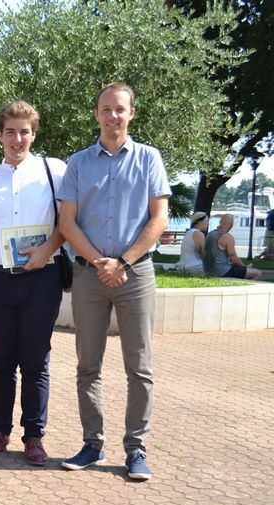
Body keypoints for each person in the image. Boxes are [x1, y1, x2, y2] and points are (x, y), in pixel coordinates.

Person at [57, 83, 171, 481]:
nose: (112, 116)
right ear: (96, 114)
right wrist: (99, 262)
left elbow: (159, 217)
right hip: (89, 277)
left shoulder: (149, 158)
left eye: (119, 109)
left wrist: (123, 261)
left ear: (131, 113)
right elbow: (66, 222)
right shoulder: (78, 163)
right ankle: (92, 444)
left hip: (135, 275)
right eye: (105, 109)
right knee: (88, 365)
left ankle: (136, 450)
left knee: (139, 367)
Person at [0, 101, 67, 466]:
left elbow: (68, 223)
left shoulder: (55, 172)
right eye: (10, 131)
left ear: (34, 134)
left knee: (36, 362)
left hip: (42, 280)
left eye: (24, 132)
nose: (17, 139)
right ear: (0, 136)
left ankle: (34, 436)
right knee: (1, 363)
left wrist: (48, 249)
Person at [203, 213, 262, 280]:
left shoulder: (210, 234)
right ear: (231, 224)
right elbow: (234, 259)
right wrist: (245, 267)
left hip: (207, 271)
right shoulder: (227, 237)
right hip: (222, 271)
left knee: (243, 271)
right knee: (257, 273)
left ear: (220, 222)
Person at [175, 211, 207, 276]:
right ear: (199, 222)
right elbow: (205, 253)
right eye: (206, 221)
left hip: (182, 265)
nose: (208, 224)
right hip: (193, 266)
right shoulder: (199, 234)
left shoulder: (189, 232)